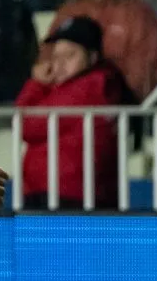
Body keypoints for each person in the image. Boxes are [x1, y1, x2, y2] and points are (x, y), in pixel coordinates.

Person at [16, 16, 127, 210]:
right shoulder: (65, 88)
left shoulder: (93, 87)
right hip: (50, 195)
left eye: (70, 56)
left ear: (92, 57)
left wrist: (36, 84)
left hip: (70, 198)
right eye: (56, 57)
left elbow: (26, 125)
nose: (59, 65)